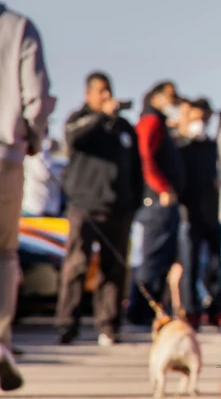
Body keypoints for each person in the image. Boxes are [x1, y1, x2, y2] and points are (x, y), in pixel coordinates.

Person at [56, 72, 143, 346]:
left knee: (113, 269)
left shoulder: (123, 127)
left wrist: (134, 203)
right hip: (84, 206)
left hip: (117, 209)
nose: (107, 96)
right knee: (77, 265)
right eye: (101, 91)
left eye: (109, 90)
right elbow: (74, 138)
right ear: (89, 94)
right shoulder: (79, 119)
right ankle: (66, 325)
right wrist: (99, 116)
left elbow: (136, 169)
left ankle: (108, 326)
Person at [0, 4, 55, 391]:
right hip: (4, 155)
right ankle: (0, 343)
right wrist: (31, 139)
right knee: (4, 252)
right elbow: (35, 97)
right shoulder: (18, 28)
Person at [127, 82, 185, 326]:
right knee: (152, 258)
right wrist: (163, 187)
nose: (174, 101)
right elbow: (145, 157)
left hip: (164, 203)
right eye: (170, 96)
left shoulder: (159, 122)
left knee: (163, 257)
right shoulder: (150, 121)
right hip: (157, 202)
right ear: (156, 97)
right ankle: (139, 312)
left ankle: (149, 311)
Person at [176, 98, 221, 329]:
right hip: (189, 214)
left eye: (204, 119)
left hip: (212, 214)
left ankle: (215, 309)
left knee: (217, 264)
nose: (200, 123)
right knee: (190, 264)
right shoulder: (181, 148)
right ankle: (190, 311)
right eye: (196, 119)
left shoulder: (214, 147)